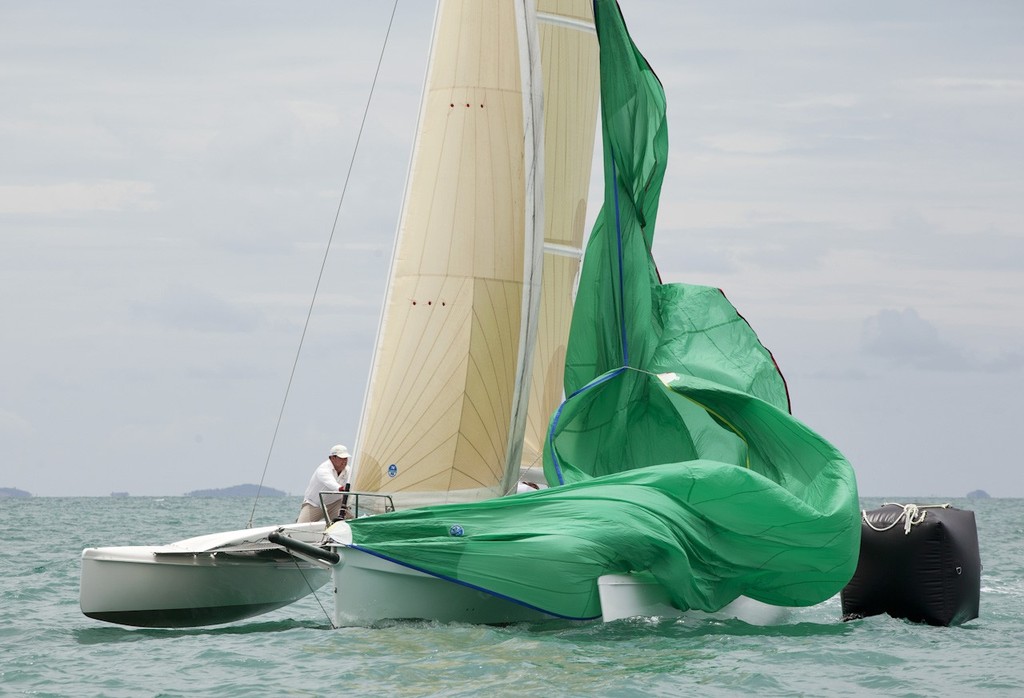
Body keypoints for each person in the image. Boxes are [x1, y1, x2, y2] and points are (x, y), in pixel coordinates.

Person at [296, 444, 351, 523]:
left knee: (349, 523)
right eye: (341, 458)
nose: (344, 461)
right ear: (332, 458)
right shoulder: (323, 469)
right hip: (314, 504)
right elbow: (330, 482)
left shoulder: (349, 470)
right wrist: (341, 488)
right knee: (300, 527)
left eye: (346, 458)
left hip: (336, 504)